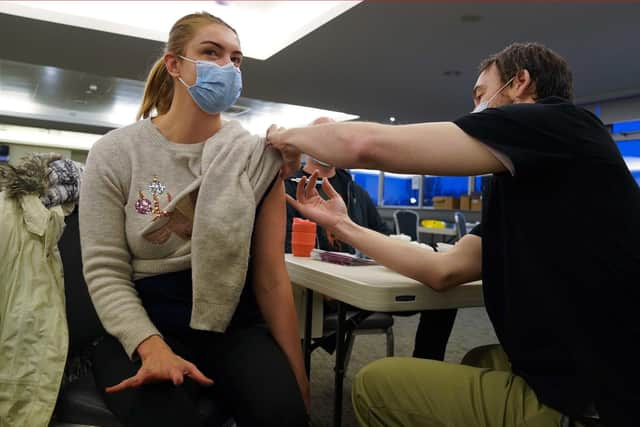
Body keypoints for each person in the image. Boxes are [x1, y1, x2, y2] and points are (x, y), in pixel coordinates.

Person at [267, 42, 640, 426]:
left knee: (376, 384)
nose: (476, 106)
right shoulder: (528, 181)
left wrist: (286, 137)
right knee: (482, 360)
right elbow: (443, 270)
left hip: (603, 397)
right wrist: (342, 225)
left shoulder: (558, 124)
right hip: (595, 367)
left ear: (520, 82)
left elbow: (364, 145)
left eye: (481, 94)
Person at [79, 12, 308, 427]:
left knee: (285, 418)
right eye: (211, 52)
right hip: (144, 320)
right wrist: (151, 347)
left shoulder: (257, 157)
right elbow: (105, 270)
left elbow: (272, 278)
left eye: (236, 59)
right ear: (174, 65)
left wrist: (298, 379)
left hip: (233, 323)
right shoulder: (115, 152)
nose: (228, 67)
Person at [285, 118, 458, 361]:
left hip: (368, 283)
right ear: (308, 143)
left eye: (335, 137)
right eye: (322, 136)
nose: (329, 144)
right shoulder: (291, 190)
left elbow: (384, 236)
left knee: (445, 295)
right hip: (319, 290)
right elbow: (284, 250)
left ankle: (425, 371)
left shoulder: (355, 193)